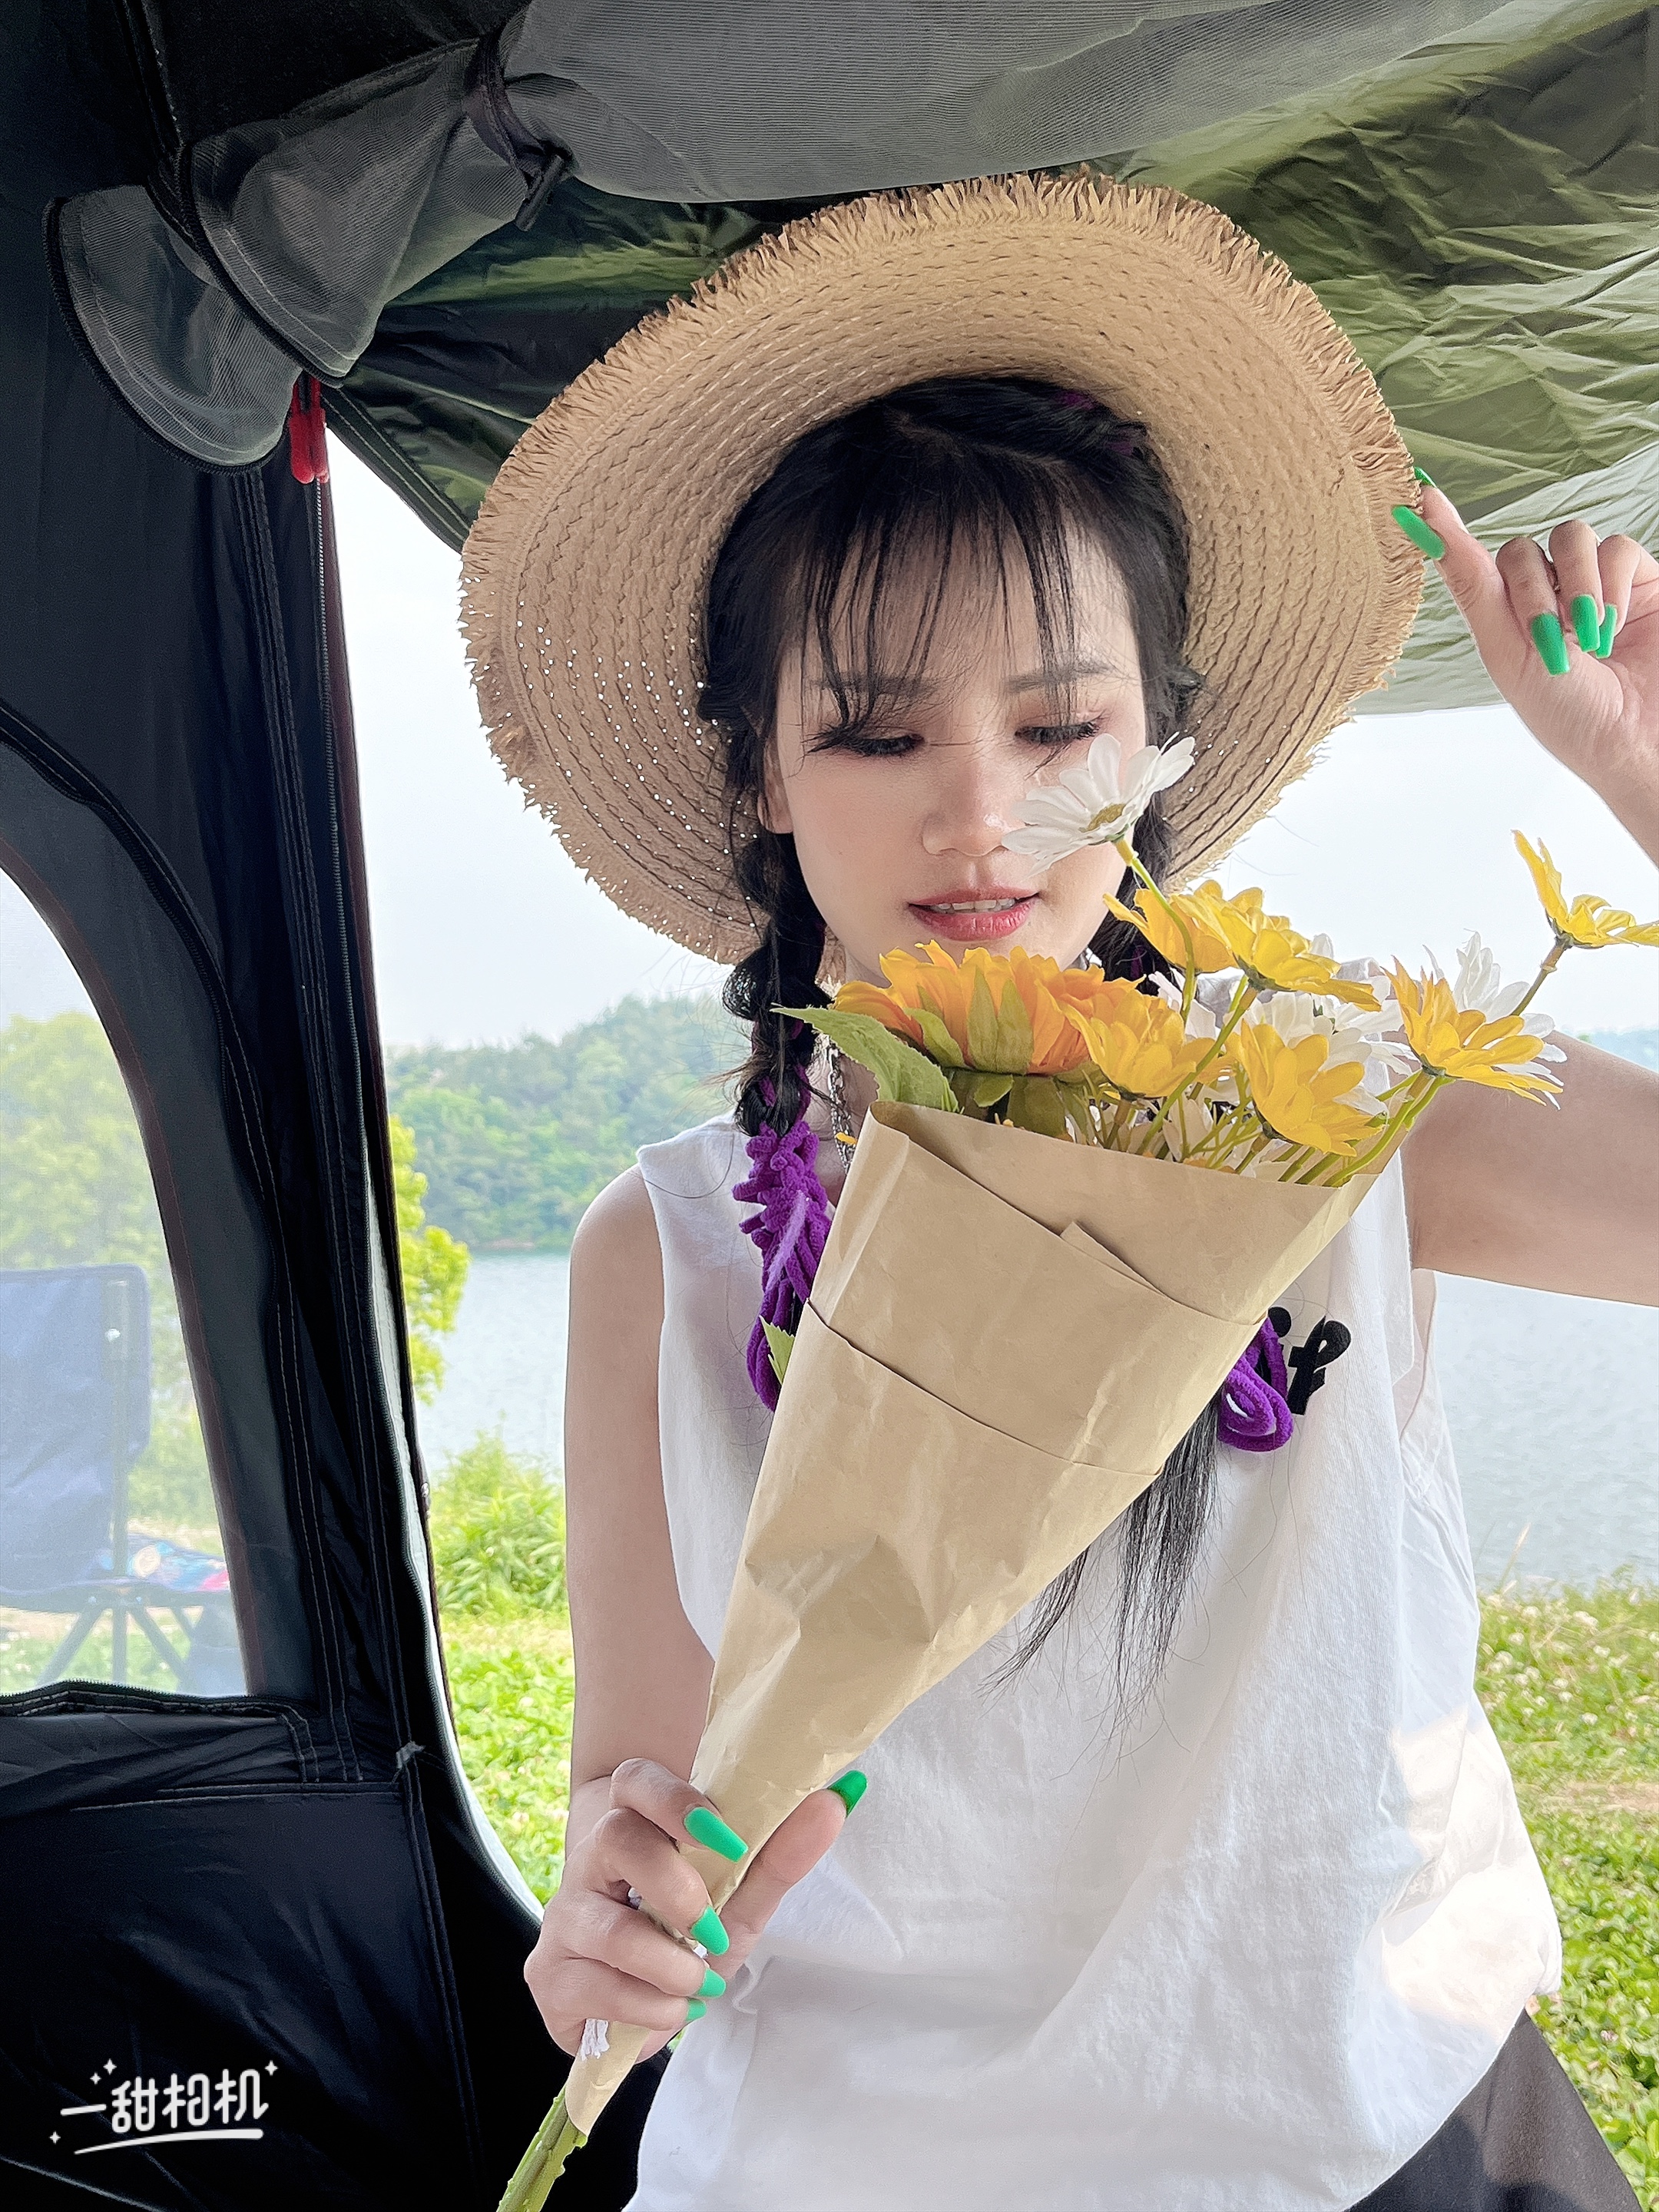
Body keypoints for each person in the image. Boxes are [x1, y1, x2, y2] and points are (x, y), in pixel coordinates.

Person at [462, 177, 1657, 2209]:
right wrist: (618, 1922)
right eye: (873, 728)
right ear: (759, 769)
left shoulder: (1357, 1104)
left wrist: (1640, 771)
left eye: (1059, 723)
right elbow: (640, 1821)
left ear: (1161, 743)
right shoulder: (659, 1261)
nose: (981, 810)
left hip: (1393, 2132)